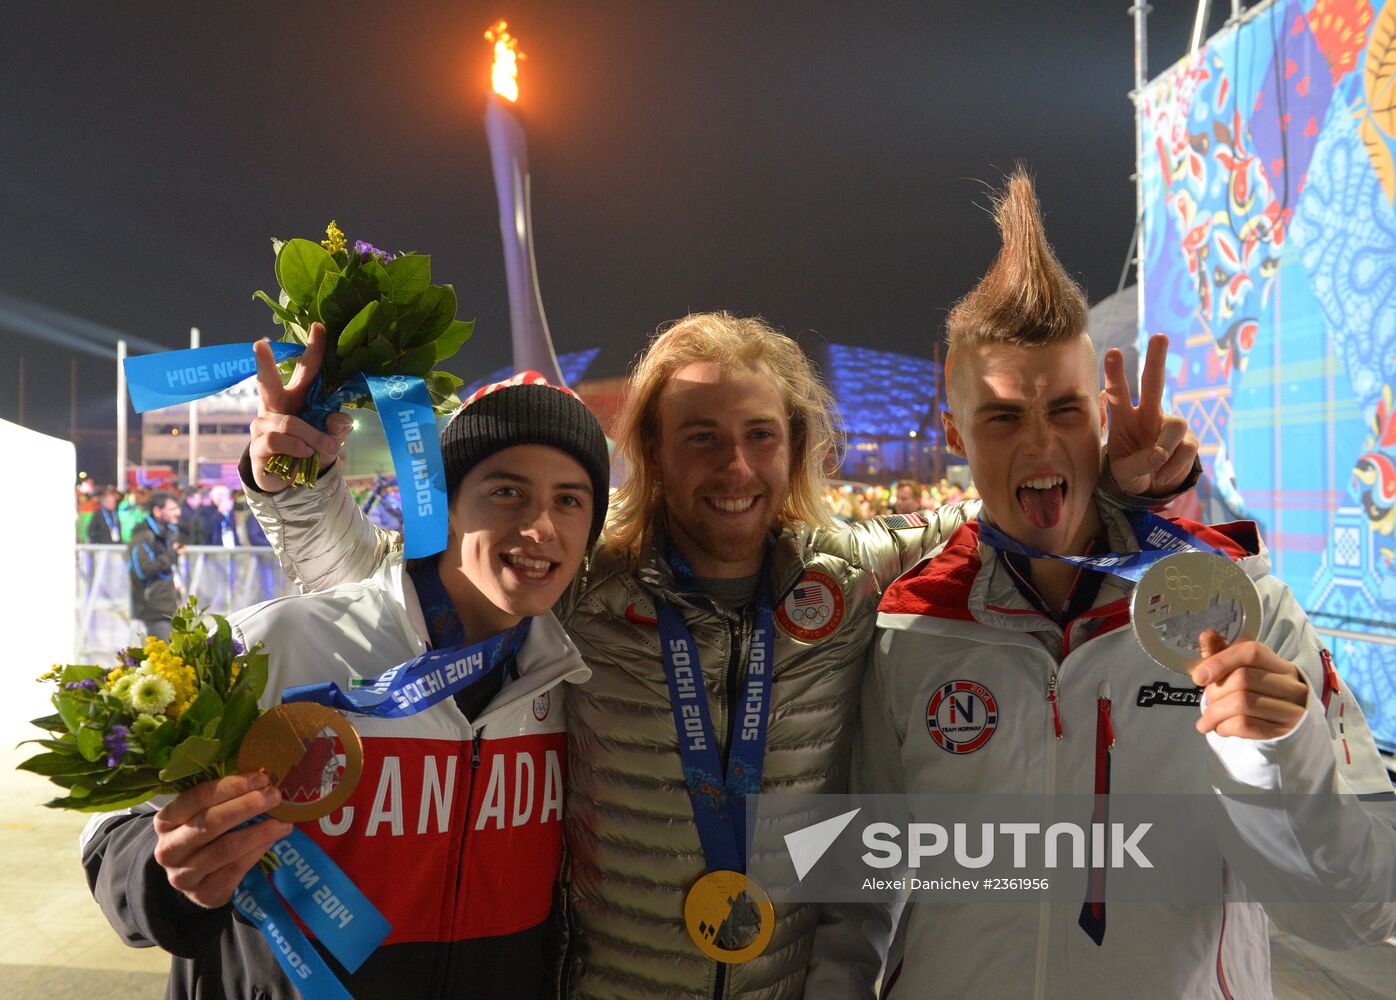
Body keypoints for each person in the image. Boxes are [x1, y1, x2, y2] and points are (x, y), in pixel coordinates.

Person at [236, 310, 1198, 998]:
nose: (735, 468)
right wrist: (296, 482)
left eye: (759, 437)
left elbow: (1013, 515)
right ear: (653, 449)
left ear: (796, 449)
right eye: (701, 438)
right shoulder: (587, 584)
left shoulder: (853, 575)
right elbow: (400, 601)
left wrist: (1127, 484)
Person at [856, 170, 1396, 997]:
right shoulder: (909, 626)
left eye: (1065, 411)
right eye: (1003, 417)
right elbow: (861, 896)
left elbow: (1349, 914)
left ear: (1101, 421)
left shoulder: (1237, 605)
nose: (1039, 446)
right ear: (956, 432)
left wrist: (1285, 756)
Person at [83, 372, 611, 999]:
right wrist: (165, 874)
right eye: (507, 492)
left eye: (571, 500)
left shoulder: (578, 687)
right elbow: (109, 826)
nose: (541, 527)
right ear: (439, 506)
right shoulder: (283, 643)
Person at [128, 492, 185, 641]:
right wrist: (172, 555)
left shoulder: (170, 533)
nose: (177, 513)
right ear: (157, 511)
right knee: (161, 658)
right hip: (153, 608)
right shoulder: (142, 536)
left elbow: (171, 570)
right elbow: (143, 570)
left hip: (170, 605)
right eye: (172, 509)